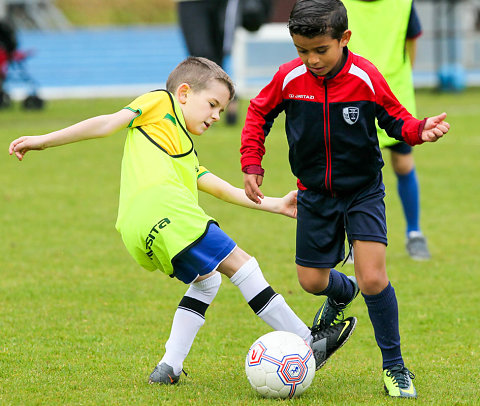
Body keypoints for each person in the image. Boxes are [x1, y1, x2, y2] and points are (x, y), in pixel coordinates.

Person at [9, 56, 356, 386]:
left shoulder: (181, 146)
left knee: (207, 283)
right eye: (213, 105)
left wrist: (275, 205)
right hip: (169, 214)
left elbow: (217, 188)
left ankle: (168, 367)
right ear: (185, 93)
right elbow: (107, 123)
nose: (218, 115)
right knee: (243, 266)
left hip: (137, 231)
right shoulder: (160, 103)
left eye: (222, 109)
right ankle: (307, 341)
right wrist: (43, 141)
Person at [240, 0, 450, 398]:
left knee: (374, 278)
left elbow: (395, 118)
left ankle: (395, 367)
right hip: (314, 195)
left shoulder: (364, 77)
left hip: (362, 191)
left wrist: (418, 130)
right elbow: (258, 113)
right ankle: (344, 291)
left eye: (321, 50)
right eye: (303, 51)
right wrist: (252, 161)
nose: (312, 60)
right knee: (311, 281)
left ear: (344, 39)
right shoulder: (289, 78)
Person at [343, 0, 430, 261]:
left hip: (395, 94)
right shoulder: (342, 4)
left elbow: (411, 39)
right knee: (350, 167)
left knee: (403, 163)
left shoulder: (402, 3)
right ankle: (351, 241)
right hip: (352, 94)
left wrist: (405, 76)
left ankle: (414, 234)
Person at [175, 0, 240, 124]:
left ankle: (218, 102)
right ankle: (213, 104)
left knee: (218, 54)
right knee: (201, 55)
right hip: (190, 3)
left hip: (222, 3)